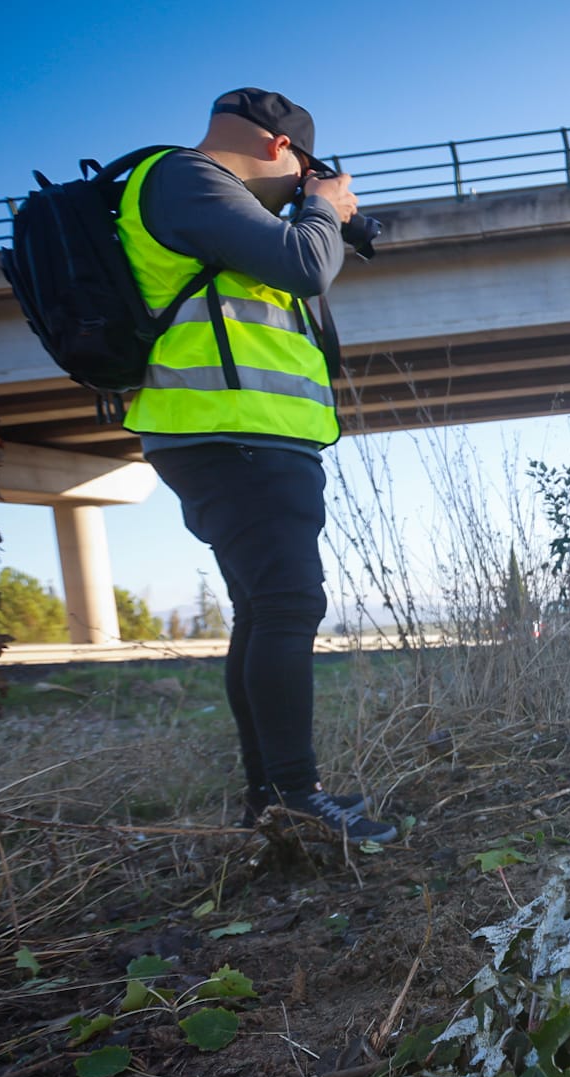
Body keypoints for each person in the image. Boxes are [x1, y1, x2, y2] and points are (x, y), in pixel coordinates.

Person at [118, 88, 399, 842]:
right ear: (283, 150)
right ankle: (299, 799)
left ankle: (271, 798)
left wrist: (327, 216)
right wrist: (323, 207)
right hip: (229, 433)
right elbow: (305, 265)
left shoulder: (222, 212)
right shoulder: (185, 178)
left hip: (250, 436)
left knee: (264, 611)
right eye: (308, 173)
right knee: (286, 607)